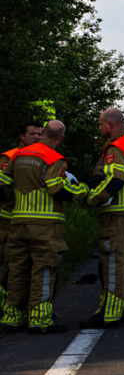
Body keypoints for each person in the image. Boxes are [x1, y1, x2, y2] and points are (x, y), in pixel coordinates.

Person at [0, 121, 87, 333]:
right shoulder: (54, 159)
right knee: (44, 271)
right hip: (46, 225)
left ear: (43, 134)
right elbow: (56, 188)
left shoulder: (18, 155)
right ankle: (40, 320)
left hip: (18, 223)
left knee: (17, 271)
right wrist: (82, 190)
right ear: (61, 138)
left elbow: (3, 185)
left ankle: (12, 316)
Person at [82, 108, 124, 329]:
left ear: (110, 124)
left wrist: (92, 198)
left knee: (113, 263)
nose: (99, 128)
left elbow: (115, 180)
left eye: (100, 124)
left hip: (116, 213)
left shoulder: (116, 147)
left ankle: (109, 313)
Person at [0, 121, 43, 326]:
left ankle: (22, 311)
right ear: (22, 137)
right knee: (8, 268)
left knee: (27, 268)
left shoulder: (41, 157)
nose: (36, 137)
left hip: (30, 223)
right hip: (8, 221)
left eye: (40, 134)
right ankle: (9, 310)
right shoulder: (9, 157)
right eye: (32, 134)